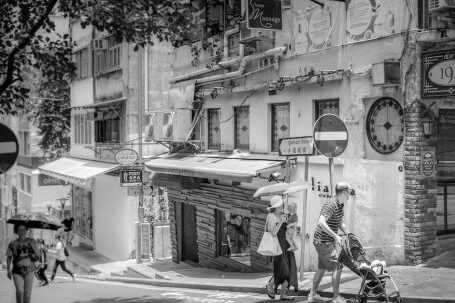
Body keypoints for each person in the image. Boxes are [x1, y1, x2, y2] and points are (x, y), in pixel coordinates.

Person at [308, 182, 353, 303]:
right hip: (323, 240)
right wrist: (335, 236)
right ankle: (336, 297)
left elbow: (339, 223)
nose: (350, 194)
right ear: (344, 192)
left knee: (321, 268)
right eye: (349, 191)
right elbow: (321, 222)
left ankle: (312, 294)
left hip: (325, 241)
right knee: (337, 266)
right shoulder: (331, 204)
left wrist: (348, 233)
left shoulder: (340, 205)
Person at [265, 195, 298, 301]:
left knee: (290, 271)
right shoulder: (271, 216)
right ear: (276, 205)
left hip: (287, 246)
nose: (283, 205)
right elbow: (273, 232)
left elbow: (289, 229)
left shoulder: (284, 215)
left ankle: (283, 294)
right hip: (278, 246)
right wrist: (281, 222)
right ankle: (270, 285)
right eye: (281, 204)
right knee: (283, 270)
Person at [6, 223, 40, 303]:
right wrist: (8, 270)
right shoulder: (12, 244)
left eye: (24, 229)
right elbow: (9, 257)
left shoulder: (32, 241)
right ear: (16, 231)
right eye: (19, 230)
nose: (22, 232)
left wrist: (33, 246)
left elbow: (38, 255)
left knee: (27, 293)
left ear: (27, 230)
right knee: (19, 291)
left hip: (30, 270)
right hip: (17, 270)